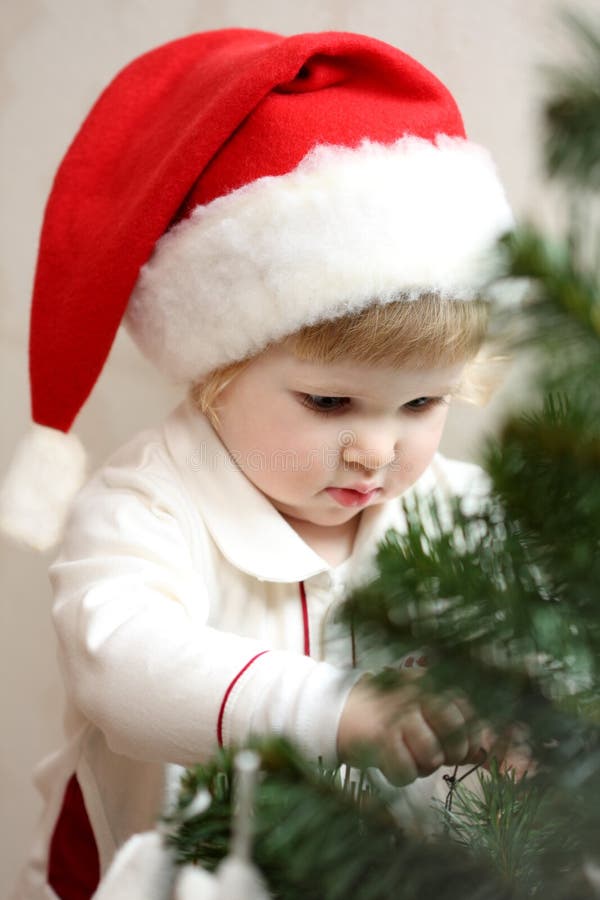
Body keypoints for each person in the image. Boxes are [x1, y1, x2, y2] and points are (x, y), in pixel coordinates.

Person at [1, 27, 515, 899]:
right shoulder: (146, 505)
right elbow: (121, 664)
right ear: (219, 371)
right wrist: (332, 711)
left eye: (423, 405)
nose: (378, 450)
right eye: (329, 403)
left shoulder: (459, 508)